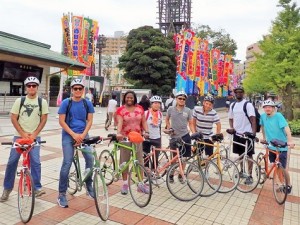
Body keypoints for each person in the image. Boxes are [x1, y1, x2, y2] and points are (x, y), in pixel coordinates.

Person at [0, 76, 49, 202]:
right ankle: (7, 189)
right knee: (12, 161)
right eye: (29, 86)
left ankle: (37, 187)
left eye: (34, 85)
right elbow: (13, 118)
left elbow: (44, 119)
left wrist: (34, 134)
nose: (31, 88)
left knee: (36, 161)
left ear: (37, 87)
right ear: (26, 87)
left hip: (35, 137)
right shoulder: (19, 101)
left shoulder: (42, 102)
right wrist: (22, 134)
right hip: (19, 136)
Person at [57, 78, 95, 208]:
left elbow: (89, 121)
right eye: (75, 88)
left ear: (83, 90)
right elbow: (62, 121)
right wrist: (74, 135)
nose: (78, 90)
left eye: (80, 88)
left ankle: (89, 184)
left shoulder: (87, 103)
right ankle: (62, 193)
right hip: (68, 135)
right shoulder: (66, 103)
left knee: (90, 158)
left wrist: (82, 135)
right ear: (71, 90)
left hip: (83, 134)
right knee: (67, 162)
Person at [116, 91, 149, 195]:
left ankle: (140, 183)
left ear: (134, 98)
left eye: (131, 98)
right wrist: (118, 133)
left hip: (137, 138)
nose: (129, 99)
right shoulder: (120, 110)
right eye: (127, 97)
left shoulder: (140, 108)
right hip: (125, 138)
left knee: (139, 161)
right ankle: (125, 184)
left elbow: (143, 121)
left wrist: (146, 131)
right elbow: (120, 122)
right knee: (124, 161)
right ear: (124, 98)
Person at [260, 100, 295, 194]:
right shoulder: (263, 116)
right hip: (271, 146)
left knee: (283, 168)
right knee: (273, 165)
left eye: (269, 107)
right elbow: (263, 127)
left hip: (282, 146)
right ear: (263, 108)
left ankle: (288, 184)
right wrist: (264, 138)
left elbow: (286, 128)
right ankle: (279, 184)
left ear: (273, 108)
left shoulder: (278, 116)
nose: (267, 108)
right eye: (265, 107)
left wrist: (290, 140)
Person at [228, 85, 256, 184]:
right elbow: (230, 118)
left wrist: (253, 133)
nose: (238, 93)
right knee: (240, 154)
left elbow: (253, 119)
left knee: (248, 155)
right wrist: (232, 128)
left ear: (243, 93)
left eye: (240, 92)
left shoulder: (248, 104)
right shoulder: (233, 105)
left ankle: (250, 175)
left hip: (247, 135)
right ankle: (241, 171)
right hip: (237, 134)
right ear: (234, 94)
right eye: (236, 92)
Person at [165, 91, 195, 182]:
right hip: (174, 137)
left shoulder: (188, 110)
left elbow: (191, 123)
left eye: (183, 99)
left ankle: (181, 175)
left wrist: (193, 133)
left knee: (184, 158)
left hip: (185, 136)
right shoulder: (170, 109)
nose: (182, 100)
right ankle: (171, 174)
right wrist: (169, 127)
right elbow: (167, 119)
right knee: (174, 158)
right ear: (176, 99)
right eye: (180, 98)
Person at [143, 96, 163, 168]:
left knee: (156, 157)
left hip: (157, 137)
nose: (157, 105)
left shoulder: (160, 114)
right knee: (146, 156)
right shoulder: (146, 113)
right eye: (155, 103)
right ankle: (146, 171)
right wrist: (143, 133)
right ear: (151, 104)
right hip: (147, 137)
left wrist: (160, 138)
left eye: (159, 103)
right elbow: (142, 125)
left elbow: (159, 127)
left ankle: (154, 170)